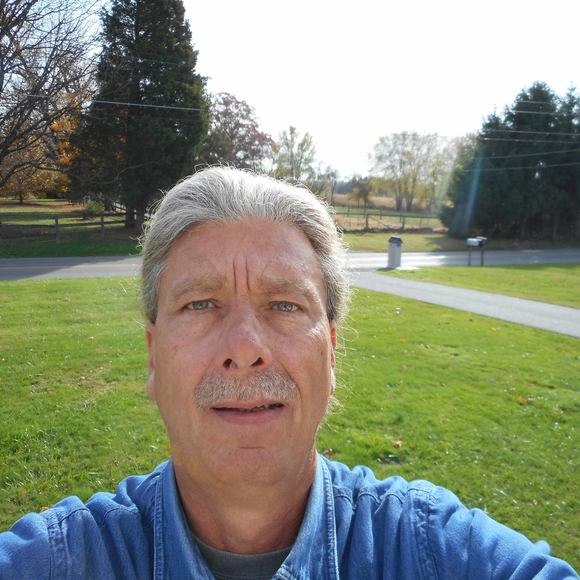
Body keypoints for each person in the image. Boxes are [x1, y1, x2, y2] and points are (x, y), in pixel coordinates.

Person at [0, 167, 577, 580]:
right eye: (200, 304)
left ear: (332, 351)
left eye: (284, 305)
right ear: (153, 356)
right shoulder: (57, 561)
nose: (244, 349)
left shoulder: (434, 550)